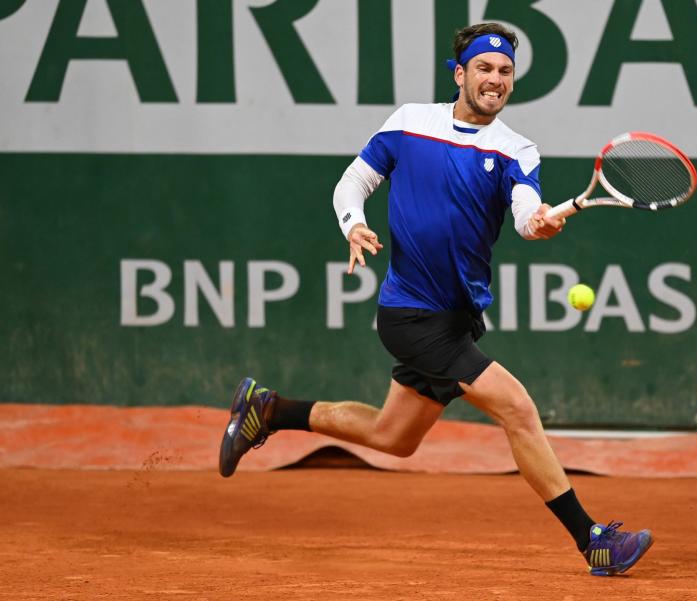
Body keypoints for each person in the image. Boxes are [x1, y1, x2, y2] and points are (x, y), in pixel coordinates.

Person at [218, 22, 652, 576]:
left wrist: (540, 223)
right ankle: (593, 540)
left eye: (505, 72)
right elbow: (351, 183)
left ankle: (268, 410)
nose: (495, 80)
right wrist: (353, 224)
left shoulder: (517, 150)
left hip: (457, 318)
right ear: (460, 74)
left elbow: (525, 216)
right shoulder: (410, 123)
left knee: (392, 437)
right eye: (485, 69)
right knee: (518, 408)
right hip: (411, 314)